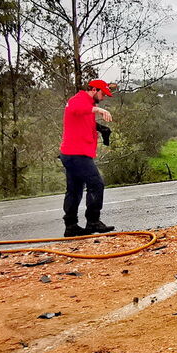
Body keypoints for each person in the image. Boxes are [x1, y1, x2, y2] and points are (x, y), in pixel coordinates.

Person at [59, 79, 117, 237]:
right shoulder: (78, 99)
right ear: (94, 90)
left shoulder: (87, 103)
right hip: (77, 154)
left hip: (71, 153)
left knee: (74, 189)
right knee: (96, 184)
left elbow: (81, 119)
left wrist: (100, 128)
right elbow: (76, 108)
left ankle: (71, 226)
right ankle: (93, 221)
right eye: (103, 93)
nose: (103, 97)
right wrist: (98, 110)